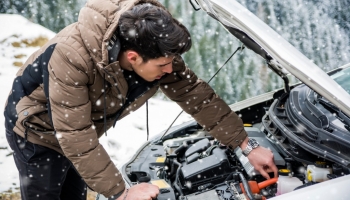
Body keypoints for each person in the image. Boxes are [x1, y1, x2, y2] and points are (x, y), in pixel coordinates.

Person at [4, 0, 278, 199]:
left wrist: (246, 144)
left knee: (75, 192)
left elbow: (194, 93)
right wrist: (122, 194)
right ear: (133, 58)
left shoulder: (151, 42)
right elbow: (75, 135)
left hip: (76, 128)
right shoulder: (71, 58)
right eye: (164, 65)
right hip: (36, 129)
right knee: (48, 194)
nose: (171, 69)